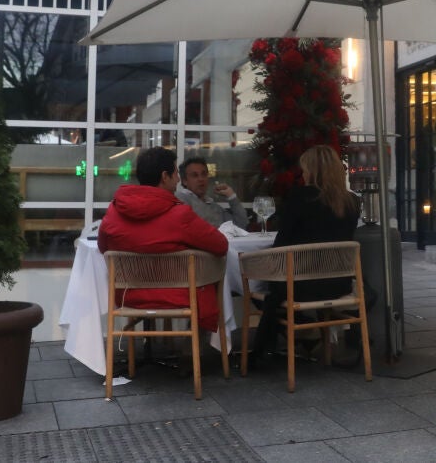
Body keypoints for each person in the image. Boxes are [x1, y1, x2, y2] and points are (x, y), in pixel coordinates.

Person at [98, 147, 229, 330]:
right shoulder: (180, 215)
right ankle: (199, 343)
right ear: (165, 176)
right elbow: (221, 245)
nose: (178, 179)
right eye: (175, 173)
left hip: (128, 295)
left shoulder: (114, 211)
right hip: (178, 296)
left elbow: (103, 247)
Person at [252, 145, 361, 363]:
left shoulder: (300, 197)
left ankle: (297, 336)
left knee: (257, 285)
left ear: (311, 170)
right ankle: (307, 336)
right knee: (276, 286)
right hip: (338, 284)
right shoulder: (352, 201)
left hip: (301, 286)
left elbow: (282, 245)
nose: (303, 174)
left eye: (305, 169)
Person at [175, 157, 249, 229]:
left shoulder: (214, 206)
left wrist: (231, 196)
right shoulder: (181, 198)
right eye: (195, 175)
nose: (201, 179)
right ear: (184, 181)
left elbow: (241, 225)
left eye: (204, 174)